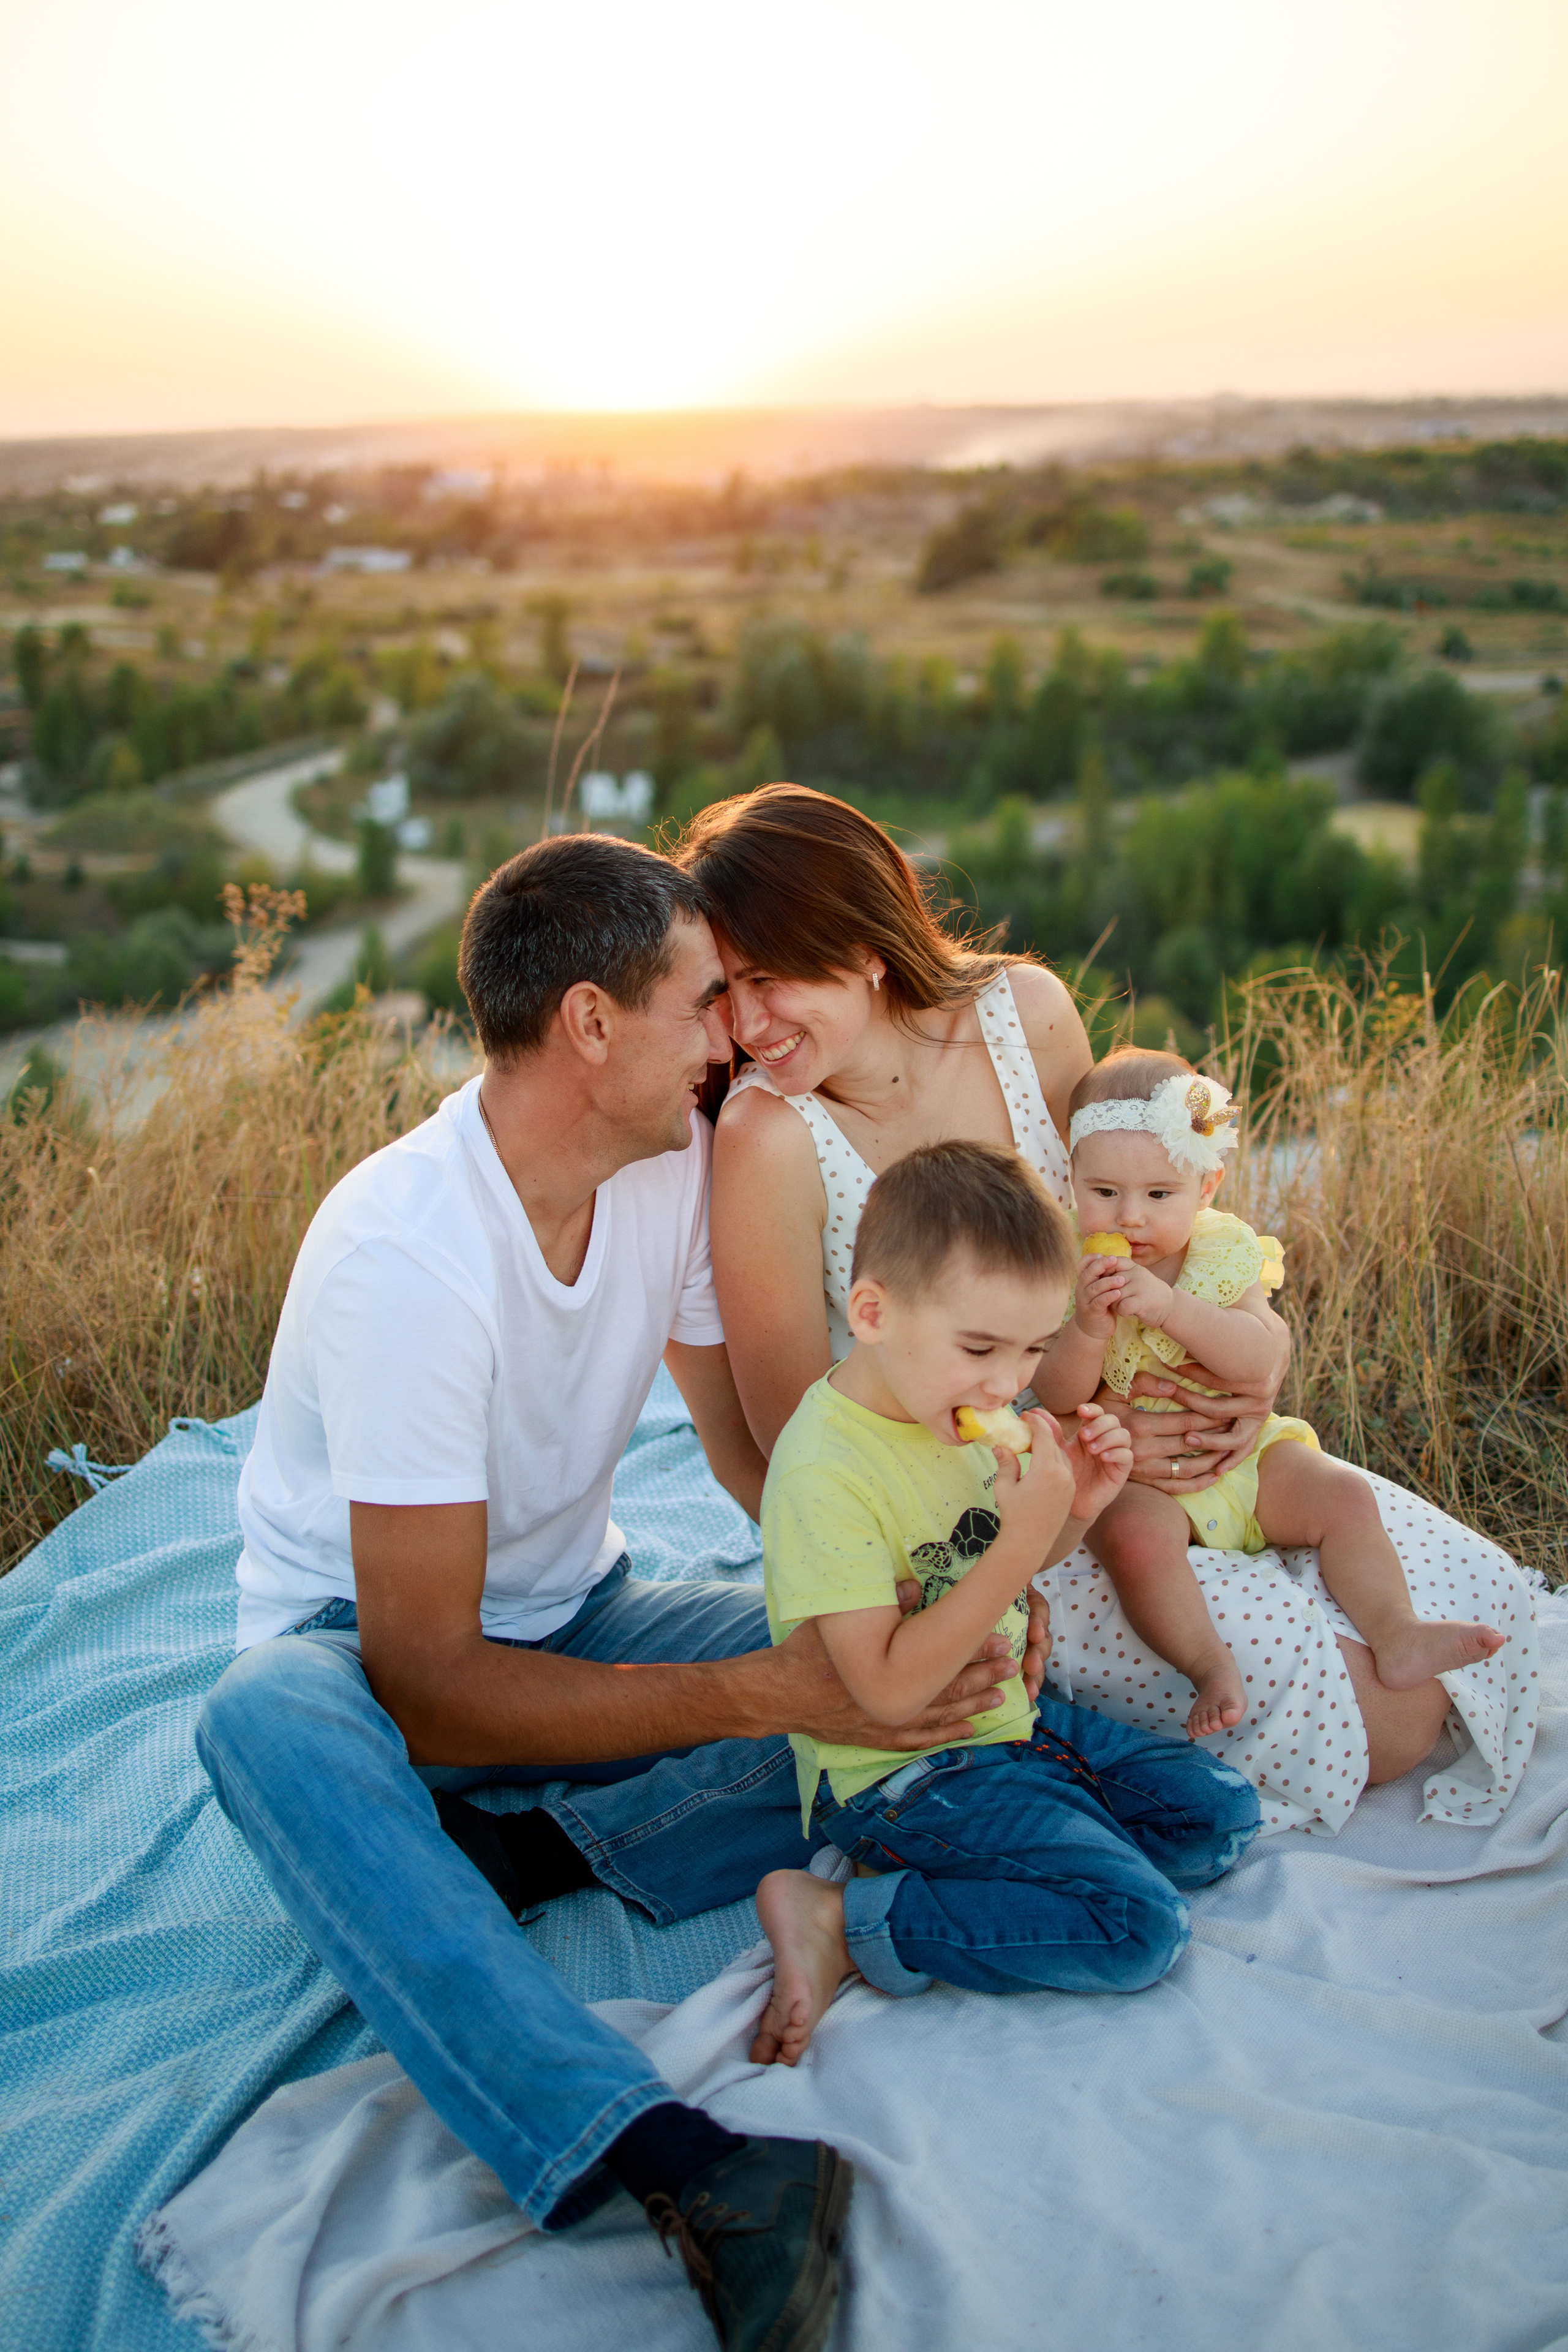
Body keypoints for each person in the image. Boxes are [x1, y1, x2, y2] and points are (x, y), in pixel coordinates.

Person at [196, 835, 1049, 2352]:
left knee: (946, 1677)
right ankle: (678, 2165)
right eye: (703, 1000)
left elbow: (761, 1455)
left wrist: (910, 1601)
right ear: (590, 1024)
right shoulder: (410, 1255)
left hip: (582, 1614)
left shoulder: (667, 1174)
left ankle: (525, 1848)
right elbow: (424, 1679)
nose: (733, 1037)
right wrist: (763, 1693)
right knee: (261, 1719)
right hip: (368, 1663)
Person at [676, 783, 1528, 1817]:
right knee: (1393, 1724)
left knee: (1472, 1601)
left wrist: (1245, 1358)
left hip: (1146, 1429)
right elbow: (796, 1435)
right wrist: (1063, 1476)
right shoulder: (769, 1137)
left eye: (768, 980)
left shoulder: (1025, 1016)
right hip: (983, 1513)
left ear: (862, 948)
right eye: (725, 991)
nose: (746, 1025)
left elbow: (1146, 1219)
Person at [747, 1140, 1260, 2067]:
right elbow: (884, 1694)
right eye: (981, 1348)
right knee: (1141, 1929)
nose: (1007, 1384)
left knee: (1218, 1816)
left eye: (1032, 1350)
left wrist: (1078, 1509)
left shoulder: (951, 1406)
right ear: (872, 1313)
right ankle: (845, 1918)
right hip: (902, 1776)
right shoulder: (825, 1471)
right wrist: (1023, 1544)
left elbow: (1001, 1566)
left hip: (1011, 1719)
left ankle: (1036, 1848)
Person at [1036, 1048, 1503, 1738]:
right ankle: (1208, 1666)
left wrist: (1169, 1307)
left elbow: (1258, 1358)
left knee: (1344, 1496)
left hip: (1241, 1455)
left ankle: (1395, 1629)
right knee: (1133, 1543)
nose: (1131, 1217)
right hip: (1137, 1476)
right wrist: (1086, 1329)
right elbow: (1053, 1394)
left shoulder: (1220, 1251)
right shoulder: (1067, 1265)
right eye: (1104, 1192)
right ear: (1071, 1178)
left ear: (1207, 1186)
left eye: (1159, 1195)